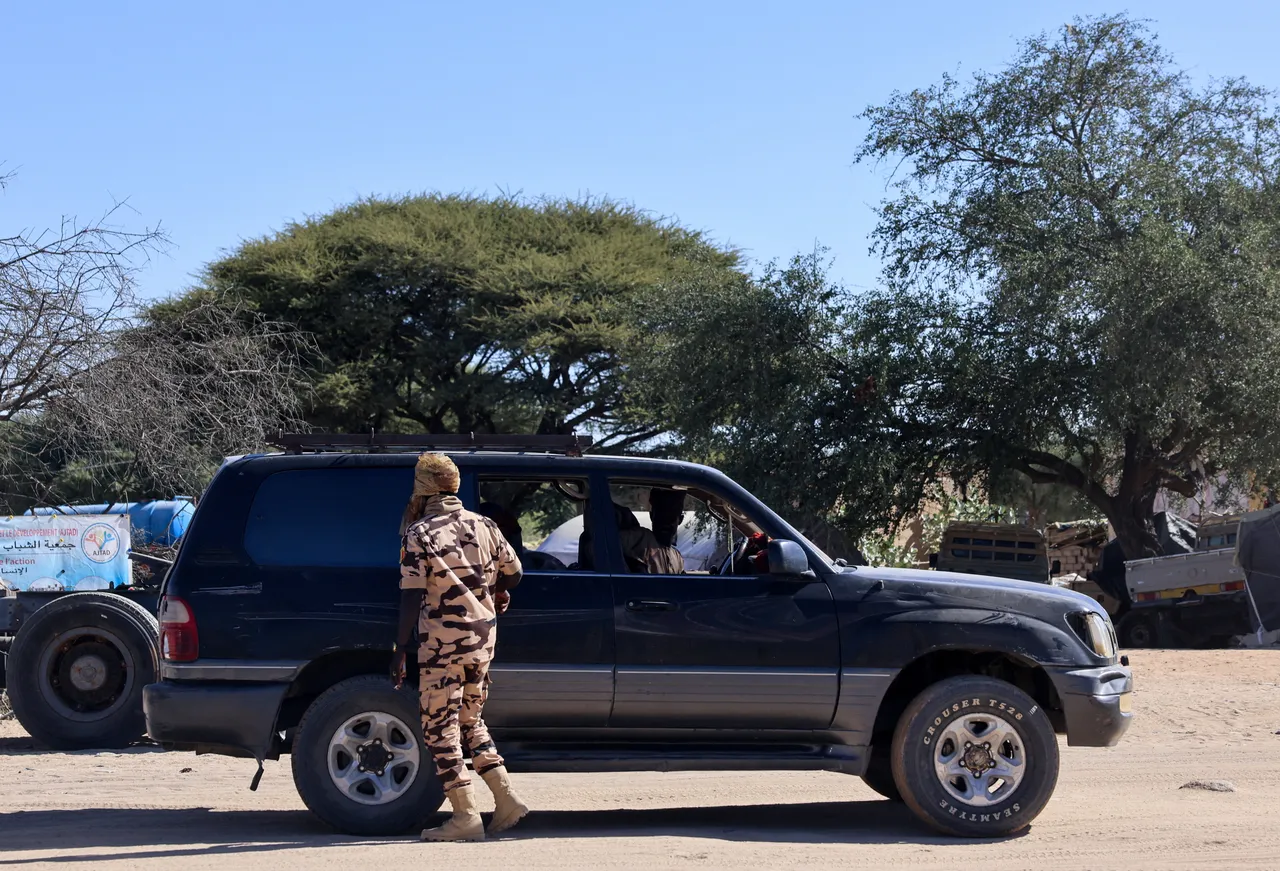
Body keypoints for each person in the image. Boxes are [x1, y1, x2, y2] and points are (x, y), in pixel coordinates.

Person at [391, 453, 529, 842]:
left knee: (439, 730)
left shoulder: (420, 533)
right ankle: (506, 799)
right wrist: (493, 587)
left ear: (422, 489)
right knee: (470, 721)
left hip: (443, 646)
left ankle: (465, 815)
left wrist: (400, 649)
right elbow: (516, 576)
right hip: (482, 643)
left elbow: (411, 596)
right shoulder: (484, 525)